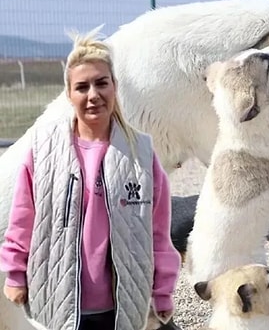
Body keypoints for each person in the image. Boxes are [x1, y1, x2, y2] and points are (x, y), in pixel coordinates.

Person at [0, 28, 181, 330]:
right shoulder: (43, 151)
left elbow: (158, 233)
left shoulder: (141, 154)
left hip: (122, 306)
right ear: (69, 95)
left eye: (101, 83)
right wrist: (15, 274)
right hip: (56, 301)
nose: (93, 95)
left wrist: (162, 291)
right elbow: (22, 220)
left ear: (114, 87)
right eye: (82, 87)